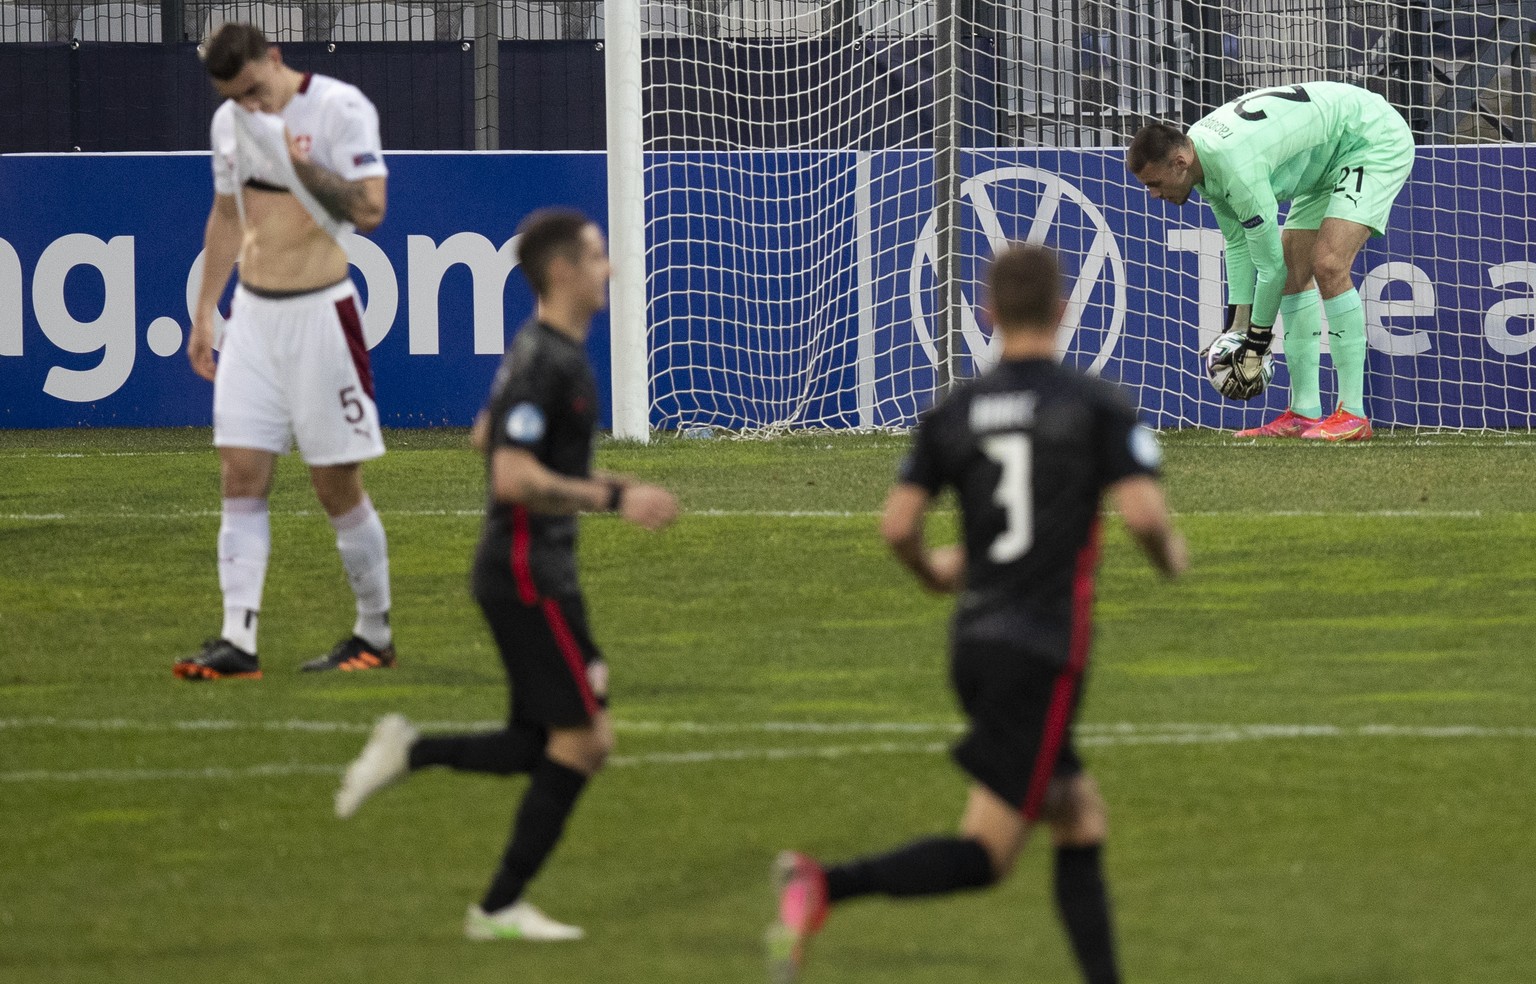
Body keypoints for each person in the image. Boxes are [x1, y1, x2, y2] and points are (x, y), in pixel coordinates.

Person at [768, 243, 1188, 984]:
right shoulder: (1093, 403)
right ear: (1062, 311)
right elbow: (1146, 517)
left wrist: (935, 572)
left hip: (975, 643)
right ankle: (822, 885)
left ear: (988, 315)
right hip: (1043, 651)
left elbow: (899, 526)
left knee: (1079, 815)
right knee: (989, 855)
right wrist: (1170, 558)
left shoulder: (953, 412)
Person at [333, 209, 679, 941]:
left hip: (537, 566)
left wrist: (578, 474)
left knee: (547, 740)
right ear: (562, 272)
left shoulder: (542, 352)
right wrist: (617, 495)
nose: (609, 267)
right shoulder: (551, 359)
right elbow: (515, 475)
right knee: (586, 741)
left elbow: (486, 434)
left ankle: (413, 753)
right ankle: (496, 908)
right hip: (526, 572)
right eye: (596, 255)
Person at [175, 23, 397, 680]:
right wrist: (206, 313)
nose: (247, 106)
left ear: (275, 59)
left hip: (321, 315)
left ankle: (374, 633)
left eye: (252, 90)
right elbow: (227, 214)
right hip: (253, 319)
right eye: (233, 97)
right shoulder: (228, 123)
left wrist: (289, 156)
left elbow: (371, 210)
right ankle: (237, 640)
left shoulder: (339, 109)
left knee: (335, 484)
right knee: (240, 473)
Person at [1128, 81, 1416, 441]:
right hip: (1326, 157)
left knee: (1328, 264)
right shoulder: (1199, 156)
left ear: (1179, 163)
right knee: (1295, 275)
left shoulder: (1234, 167)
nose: (1154, 194)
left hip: (1370, 138)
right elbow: (1237, 244)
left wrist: (1257, 343)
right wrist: (1239, 324)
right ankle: (1304, 412)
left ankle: (1354, 413)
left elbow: (1269, 267)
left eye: (1154, 183)